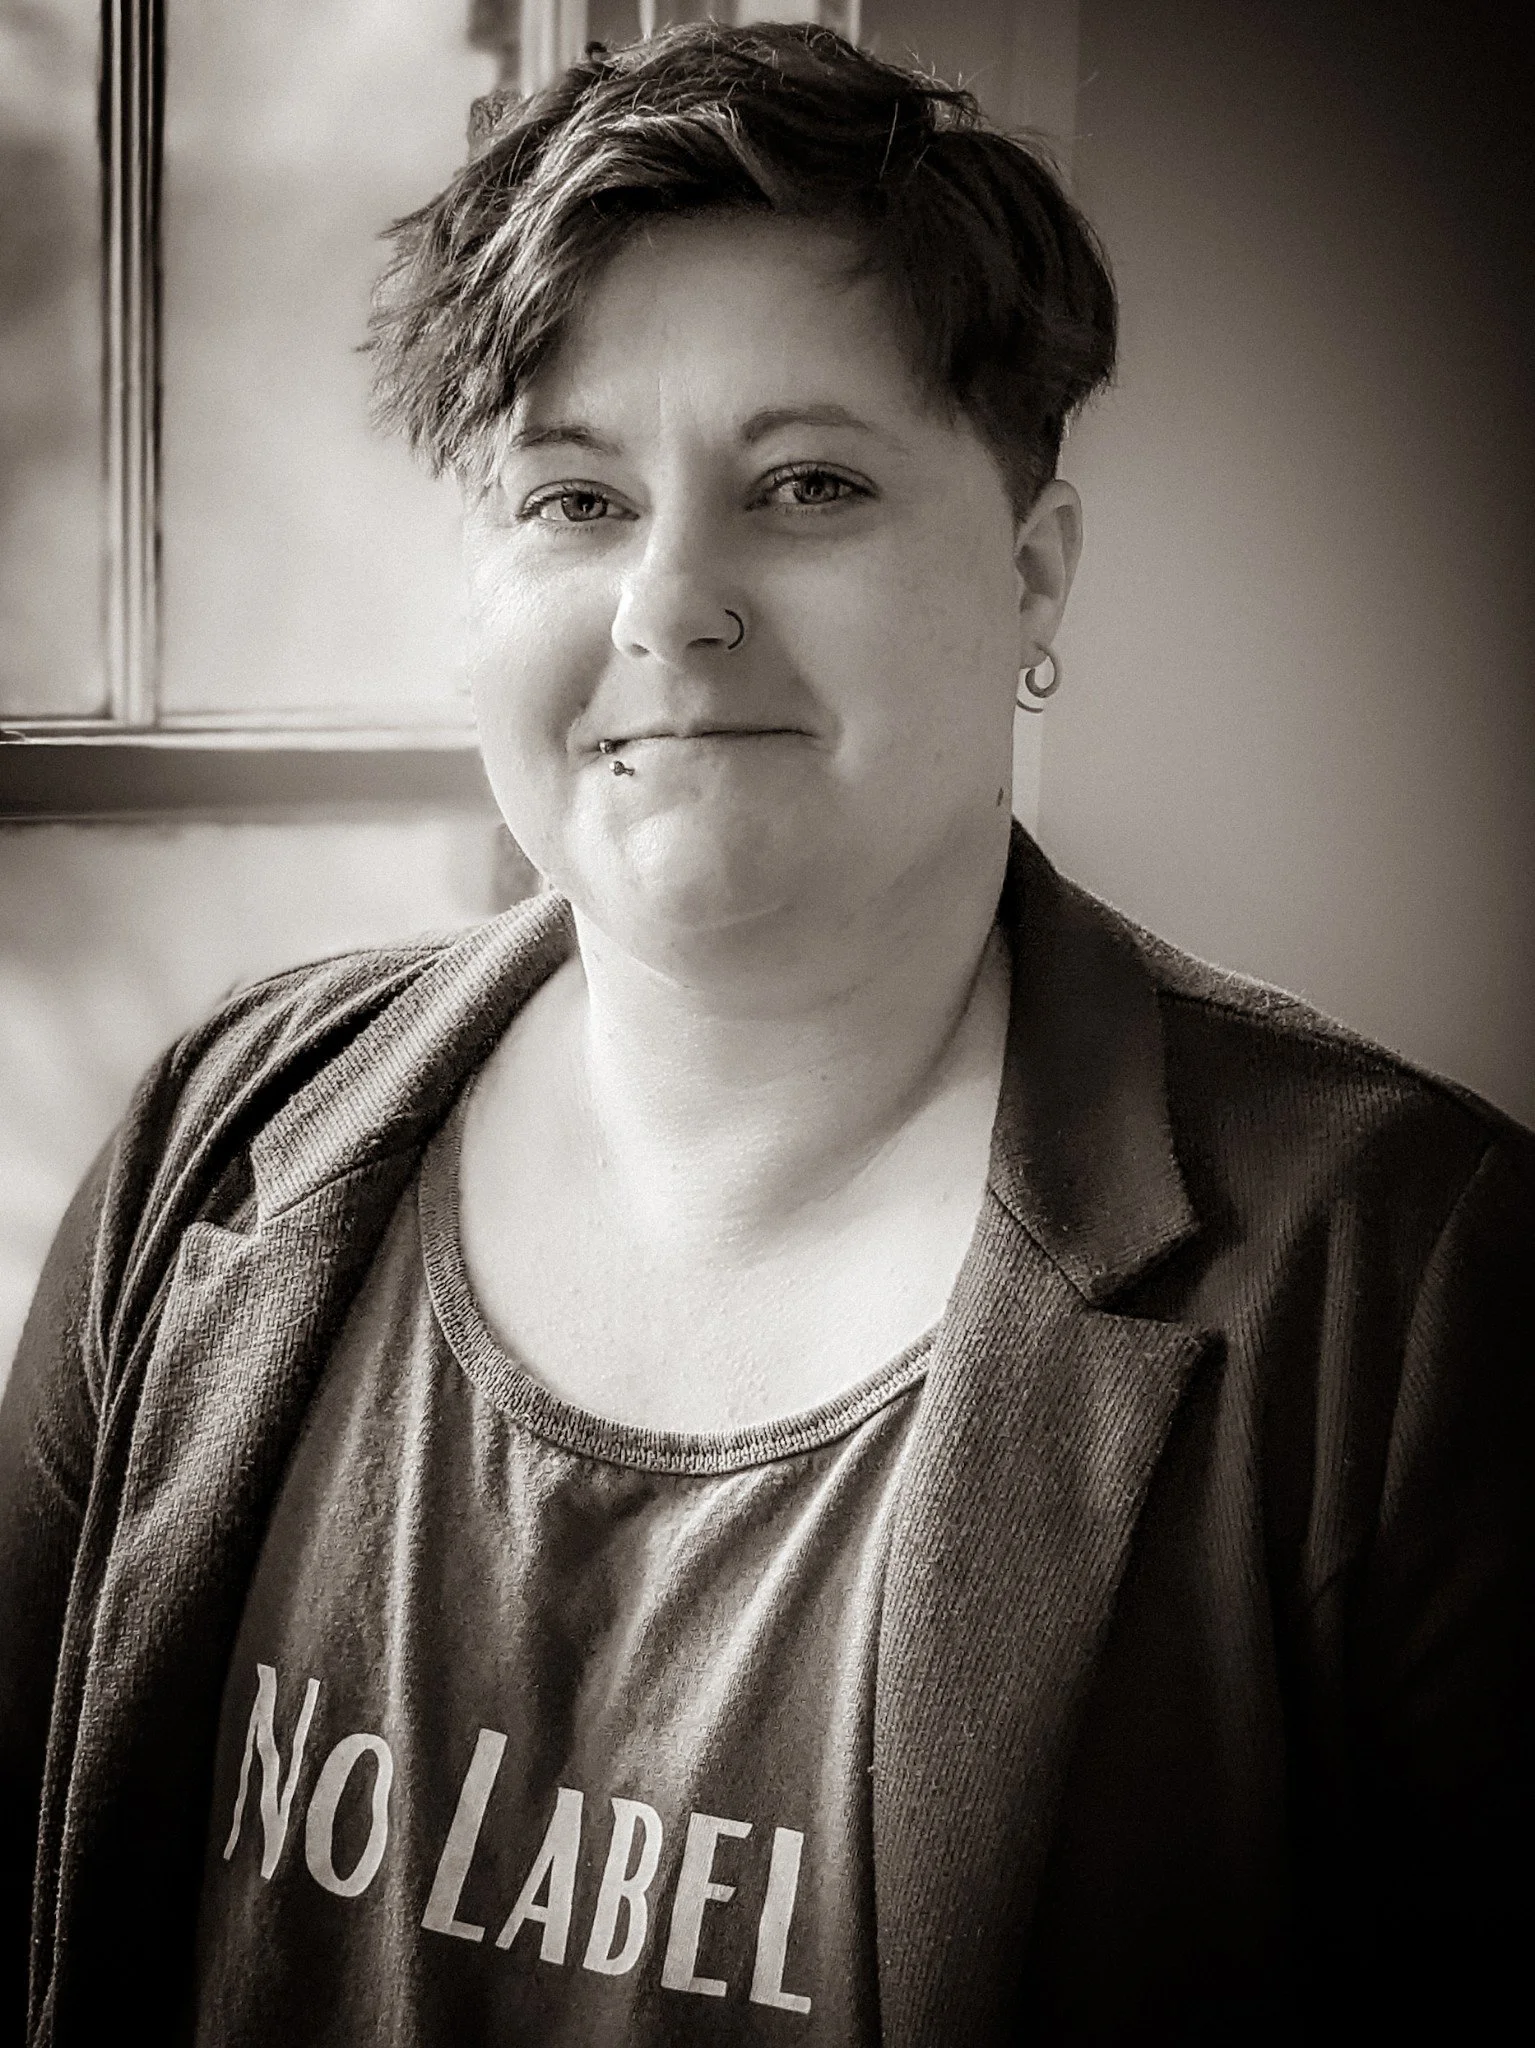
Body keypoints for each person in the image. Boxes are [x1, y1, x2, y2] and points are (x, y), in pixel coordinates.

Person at [1, 20, 1529, 2045]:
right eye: (569, 496)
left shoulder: (1405, 1295)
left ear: (1033, 571)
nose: (670, 600)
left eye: (807, 484)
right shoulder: (219, 1136)